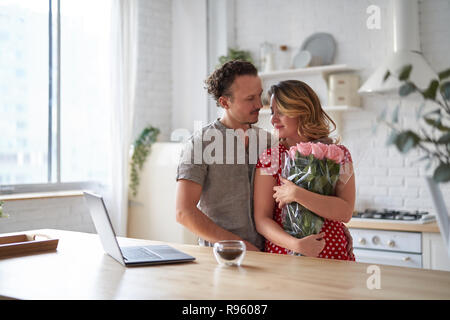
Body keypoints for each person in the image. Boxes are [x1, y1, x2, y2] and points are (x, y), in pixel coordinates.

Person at [175, 60, 354, 256]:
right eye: (250, 98)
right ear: (225, 102)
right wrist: (242, 246)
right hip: (224, 254)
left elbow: (338, 206)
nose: (260, 105)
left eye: (259, 95)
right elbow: (184, 212)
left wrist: (331, 227)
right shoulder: (200, 144)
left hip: (270, 255)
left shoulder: (269, 142)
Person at [254, 80, 356, 260]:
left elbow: (346, 212)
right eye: (272, 112)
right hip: (285, 256)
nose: (273, 119)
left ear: (303, 111)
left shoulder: (341, 155)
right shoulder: (269, 158)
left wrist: (297, 194)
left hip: (333, 254)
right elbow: (262, 220)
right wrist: (297, 245)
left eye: (282, 112)